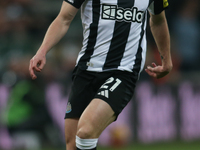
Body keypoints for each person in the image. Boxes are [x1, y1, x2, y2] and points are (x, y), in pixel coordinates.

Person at [29, 0, 173, 150]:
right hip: (86, 71)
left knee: (85, 131)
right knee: (72, 145)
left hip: (123, 72)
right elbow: (64, 18)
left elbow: (158, 20)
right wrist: (42, 51)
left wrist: (166, 60)